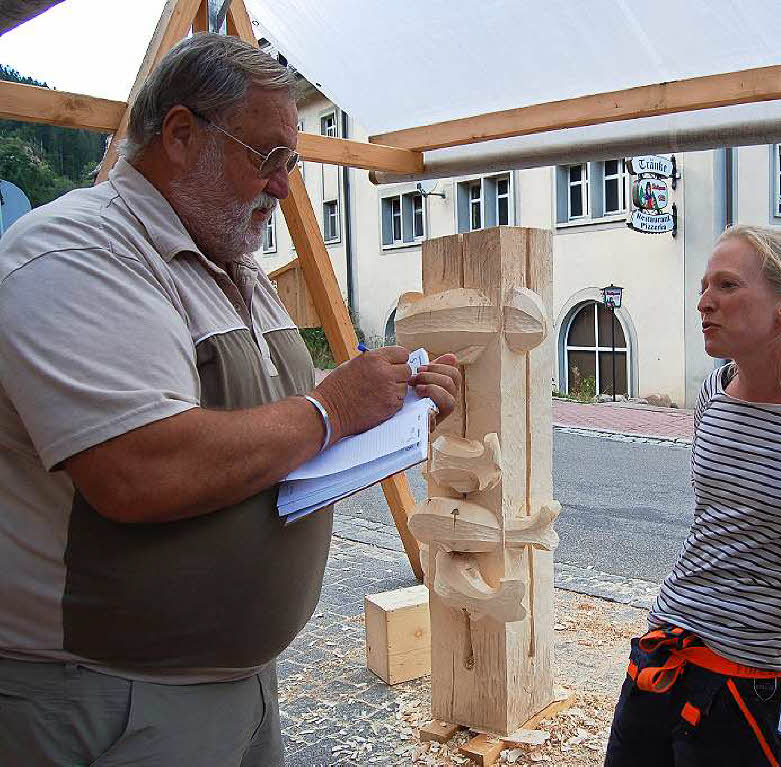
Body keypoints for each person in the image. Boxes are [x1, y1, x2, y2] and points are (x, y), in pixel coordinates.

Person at [0, 33, 460, 765]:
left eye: (292, 163)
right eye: (267, 158)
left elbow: (275, 427)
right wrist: (333, 407)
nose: (283, 186)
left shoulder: (235, 265)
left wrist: (396, 416)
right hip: (106, 696)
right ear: (181, 134)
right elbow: (138, 466)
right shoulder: (74, 252)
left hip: (233, 682)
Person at [604, 225, 781, 766]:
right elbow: (713, 522)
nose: (704, 302)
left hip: (751, 681)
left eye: (727, 285)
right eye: (705, 285)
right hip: (665, 649)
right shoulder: (714, 392)